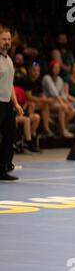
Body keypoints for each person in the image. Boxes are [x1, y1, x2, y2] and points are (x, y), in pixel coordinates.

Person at [0, 24, 24, 181]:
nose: (7, 42)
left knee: (10, 136)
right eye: (3, 39)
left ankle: (3, 168)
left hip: (7, 104)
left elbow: (10, 85)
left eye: (8, 39)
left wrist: (16, 104)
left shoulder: (9, 60)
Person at [41, 60, 75, 138]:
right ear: (51, 68)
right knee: (63, 107)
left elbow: (62, 94)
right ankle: (63, 130)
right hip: (48, 102)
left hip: (57, 102)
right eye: (55, 68)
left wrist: (68, 103)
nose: (57, 69)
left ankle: (59, 127)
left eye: (58, 68)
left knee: (72, 110)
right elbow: (54, 93)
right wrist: (63, 103)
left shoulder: (60, 79)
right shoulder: (47, 78)